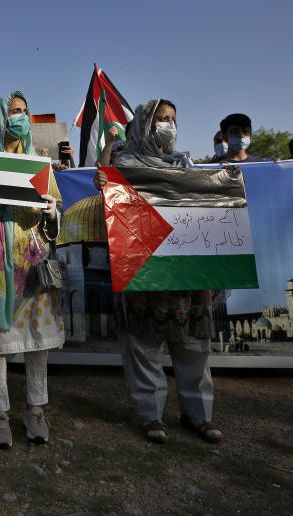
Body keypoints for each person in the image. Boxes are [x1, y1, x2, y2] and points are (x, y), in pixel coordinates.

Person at [95, 99, 223, 444]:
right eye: (160, 120)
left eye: (172, 120)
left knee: (194, 346)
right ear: (142, 125)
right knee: (143, 345)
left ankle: (198, 414)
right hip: (146, 271)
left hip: (186, 272)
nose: (168, 126)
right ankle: (150, 415)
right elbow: (108, 189)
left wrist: (223, 188)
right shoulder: (125, 164)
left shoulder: (187, 167)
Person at [0, 91, 64, 449]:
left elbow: (56, 223)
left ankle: (35, 410)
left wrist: (53, 213)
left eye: (24, 112)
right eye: (12, 112)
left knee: (37, 342)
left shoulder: (41, 165)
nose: (19, 118)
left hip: (34, 264)